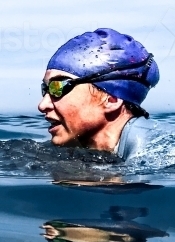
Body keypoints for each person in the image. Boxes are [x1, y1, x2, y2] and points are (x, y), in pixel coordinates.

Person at [38, 28, 162, 160]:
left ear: (112, 99)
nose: (42, 105)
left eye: (57, 87)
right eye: (45, 89)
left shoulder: (156, 151)